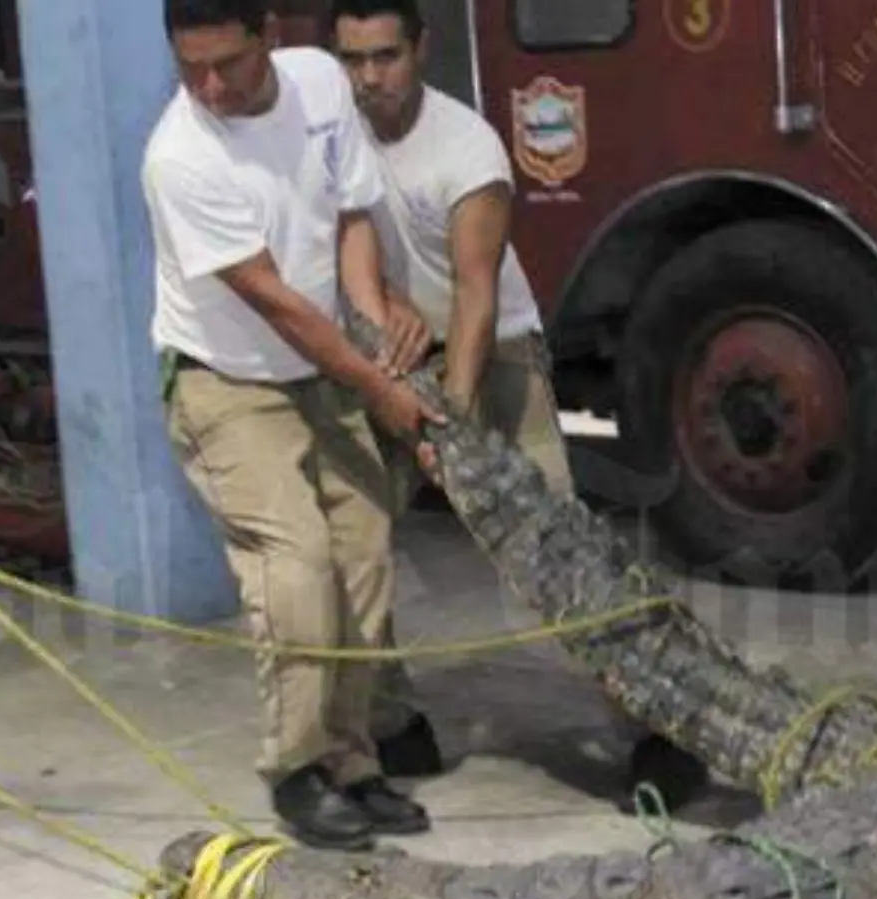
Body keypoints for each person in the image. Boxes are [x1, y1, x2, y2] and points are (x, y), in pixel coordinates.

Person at [326, 0, 706, 814]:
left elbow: (475, 291)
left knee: (556, 551)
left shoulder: (467, 146)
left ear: (421, 49)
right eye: (353, 60)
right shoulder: (332, 135)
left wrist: (454, 421)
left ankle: (655, 733)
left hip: (488, 357)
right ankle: (393, 724)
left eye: (386, 56)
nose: (369, 79)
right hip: (385, 358)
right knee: (344, 540)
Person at [145, 0, 446, 851]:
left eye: (228, 65)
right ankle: (296, 772)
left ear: (268, 36)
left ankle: (353, 763)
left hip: (322, 366)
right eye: (189, 68)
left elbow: (349, 215)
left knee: (362, 556)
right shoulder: (179, 157)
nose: (209, 86)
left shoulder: (317, 82)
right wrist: (379, 388)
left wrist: (370, 315)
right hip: (227, 385)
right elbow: (276, 300)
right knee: (298, 566)